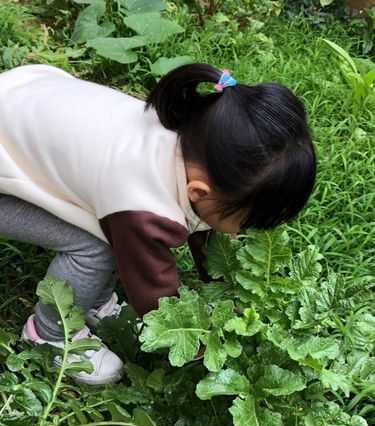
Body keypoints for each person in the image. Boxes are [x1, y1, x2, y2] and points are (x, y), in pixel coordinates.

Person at [0, 63, 316, 385]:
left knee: (108, 228)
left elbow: (202, 226)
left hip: (22, 98)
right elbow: (153, 289)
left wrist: (219, 280)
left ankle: (93, 298)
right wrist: (198, 341)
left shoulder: (194, 135)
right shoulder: (140, 205)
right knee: (94, 248)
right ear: (199, 192)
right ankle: (51, 333)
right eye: (243, 224)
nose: (237, 234)